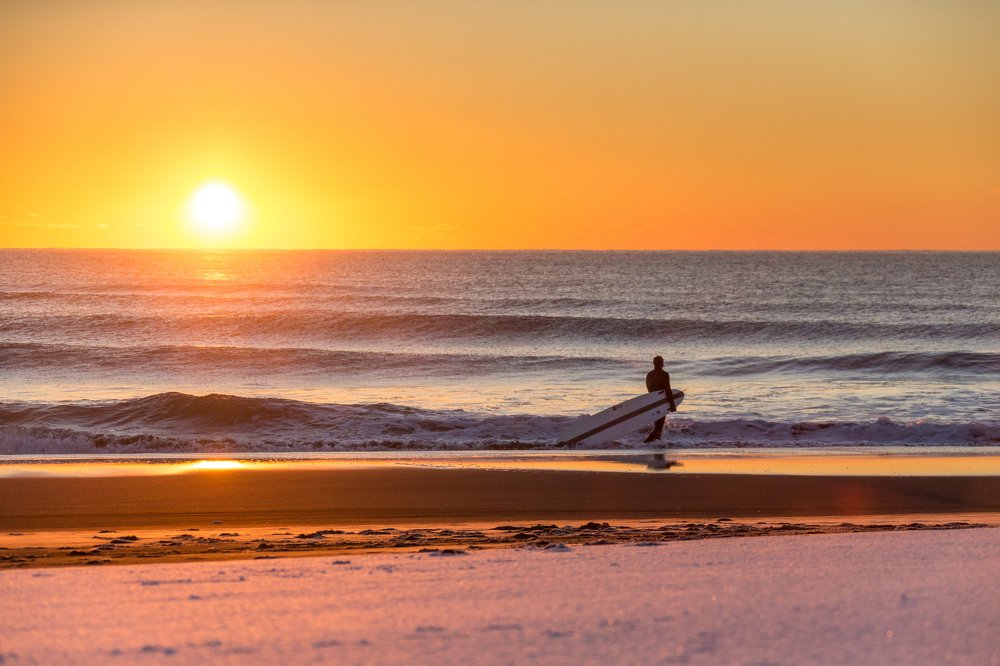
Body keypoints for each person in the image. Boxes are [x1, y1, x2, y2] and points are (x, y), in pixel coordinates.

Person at [643, 355, 676, 443]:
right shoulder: (664, 374)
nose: (662, 363)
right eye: (662, 361)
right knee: (659, 428)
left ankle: (656, 447)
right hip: (661, 403)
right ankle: (645, 443)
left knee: (657, 426)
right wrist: (672, 405)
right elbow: (667, 390)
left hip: (653, 402)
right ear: (661, 363)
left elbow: (649, 390)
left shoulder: (649, 374)